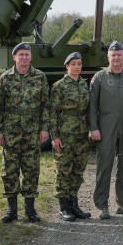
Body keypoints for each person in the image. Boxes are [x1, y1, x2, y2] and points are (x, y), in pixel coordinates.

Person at [0, 42, 50, 224]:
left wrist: (44, 128)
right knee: (9, 170)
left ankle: (30, 209)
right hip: (11, 132)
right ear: (14, 57)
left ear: (31, 57)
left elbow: (45, 106)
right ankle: (11, 209)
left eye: (27, 54)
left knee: (31, 169)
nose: (24, 57)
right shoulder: (5, 78)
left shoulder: (40, 77)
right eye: (21, 55)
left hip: (32, 131)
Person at [89, 41, 123, 219]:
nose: (116, 58)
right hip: (105, 124)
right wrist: (93, 128)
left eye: (119, 55)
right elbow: (92, 105)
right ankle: (102, 205)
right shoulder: (100, 77)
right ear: (108, 57)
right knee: (105, 165)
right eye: (113, 55)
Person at [49, 52, 92, 222]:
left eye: (79, 64)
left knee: (78, 170)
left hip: (81, 134)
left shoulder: (84, 84)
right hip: (65, 134)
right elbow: (52, 112)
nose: (76, 67)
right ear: (67, 66)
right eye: (73, 63)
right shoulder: (59, 86)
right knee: (64, 170)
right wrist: (54, 136)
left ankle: (74, 205)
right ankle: (64, 207)